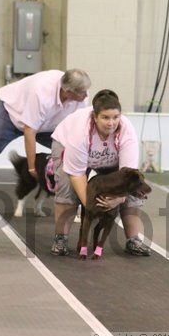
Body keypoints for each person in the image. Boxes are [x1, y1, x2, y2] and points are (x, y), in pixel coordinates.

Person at [49, 89, 151, 257]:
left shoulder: (127, 132)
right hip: (69, 148)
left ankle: (133, 240)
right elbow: (77, 174)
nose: (111, 123)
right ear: (95, 117)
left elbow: (129, 174)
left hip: (110, 157)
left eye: (115, 117)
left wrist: (118, 199)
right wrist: (93, 207)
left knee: (135, 185)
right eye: (105, 117)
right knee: (67, 186)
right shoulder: (79, 132)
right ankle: (61, 239)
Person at [0, 69, 91, 175]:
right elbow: (29, 130)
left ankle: (74, 189)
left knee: (76, 151)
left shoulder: (82, 98)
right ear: (68, 91)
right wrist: (32, 168)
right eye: (82, 92)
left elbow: (76, 132)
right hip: (11, 113)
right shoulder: (41, 91)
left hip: (46, 126)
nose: (86, 95)